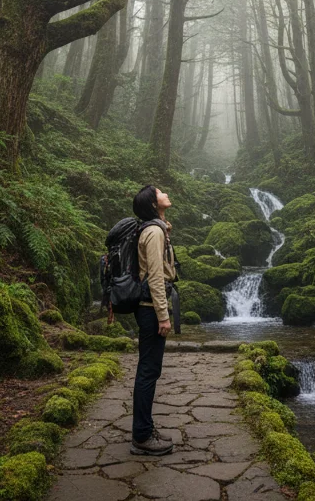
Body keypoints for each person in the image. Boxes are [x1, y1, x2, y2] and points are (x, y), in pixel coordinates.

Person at [131, 184, 179, 455]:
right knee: (148, 371)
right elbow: (156, 277)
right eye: (161, 192)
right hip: (150, 308)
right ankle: (141, 437)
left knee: (149, 370)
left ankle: (145, 428)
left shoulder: (157, 229)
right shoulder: (153, 232)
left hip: (150, 307)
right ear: (153, 203)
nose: (166, 194)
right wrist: (163, 316)